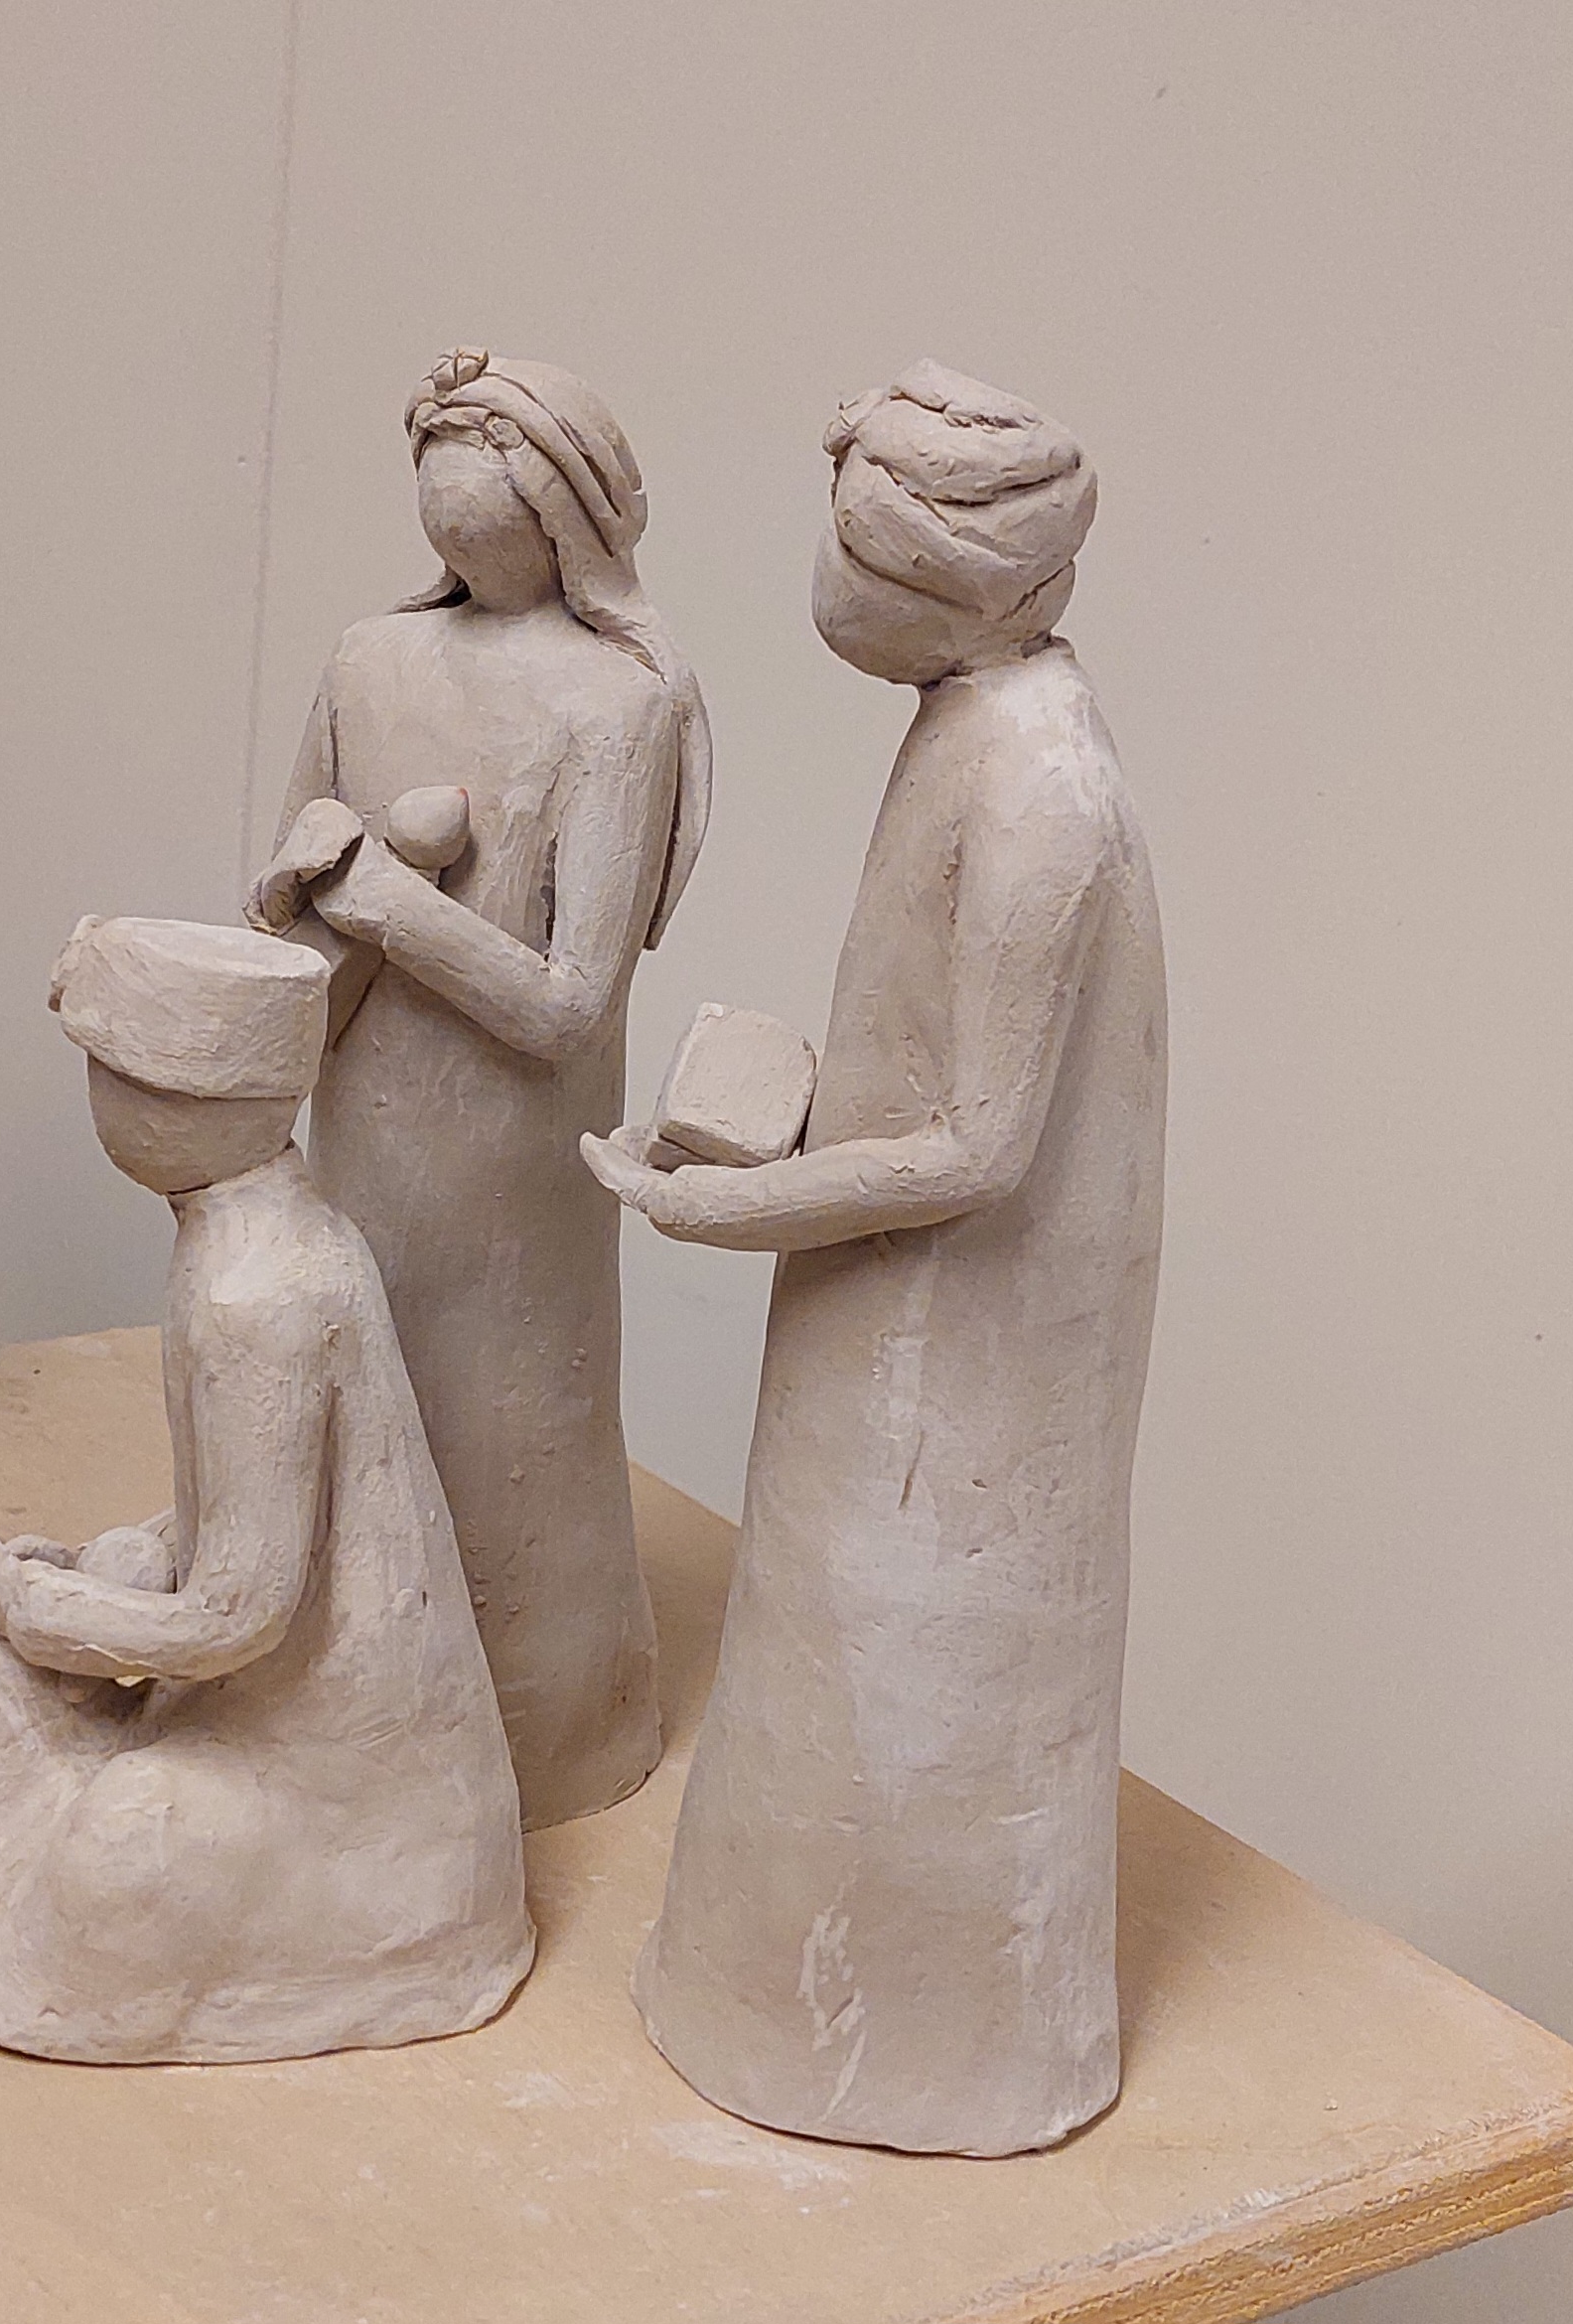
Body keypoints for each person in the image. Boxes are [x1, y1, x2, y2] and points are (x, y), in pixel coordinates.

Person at [585, 364, 1165, 2153]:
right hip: (892, 1306)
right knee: (834, 1653)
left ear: (949, 584)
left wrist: (723, 1209)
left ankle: (927, 2045)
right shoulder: (967, 722)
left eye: (854, 553)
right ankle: (772, 2002)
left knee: (919, 1672)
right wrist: (793, 1116)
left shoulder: (1043, 795)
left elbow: (980, 1151)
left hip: (968, 1347)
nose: (825, 584)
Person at [0, 918, 533, 2064]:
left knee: (119, 1836)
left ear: (172, 1103)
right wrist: (117, 1569)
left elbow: (240, 1615)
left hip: (350, 1788)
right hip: (309, 1723)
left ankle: (391, 1945)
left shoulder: (256, 1295)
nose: (98, 1103)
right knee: (73, 1624)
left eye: (109, 1077)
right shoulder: (276, 1233)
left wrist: (35, 1607)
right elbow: (272, 1525)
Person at [244, 349, 709, 1825]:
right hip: (367, 1127)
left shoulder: (615, 709)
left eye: (497, 458)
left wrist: (389, 901)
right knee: (365, 1393)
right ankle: (360, 1719)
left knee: (511, 1427)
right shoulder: (367, 661)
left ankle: (542, 1735)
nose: (461, 487)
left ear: (571, 502)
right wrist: (302, 890)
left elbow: (568, 1007)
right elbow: (283, 922)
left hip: (514, 1167)